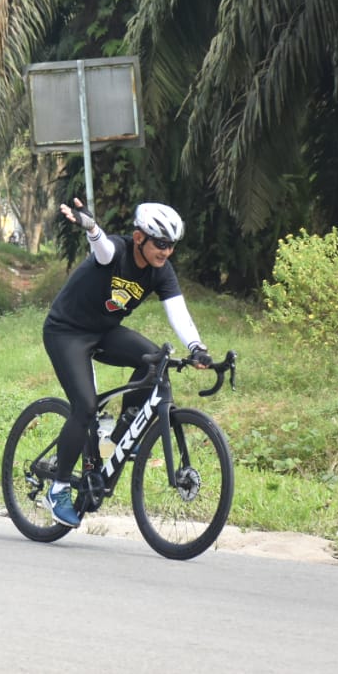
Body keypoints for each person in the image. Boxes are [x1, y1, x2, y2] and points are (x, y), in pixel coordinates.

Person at [40, 198, 213, 527]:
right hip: (67, 333)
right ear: (139, 238)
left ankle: (121, 436)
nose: (166, 252)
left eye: (172, 246)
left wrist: (196, 346)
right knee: (85, 407)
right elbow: (102, 249)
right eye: (160, 244)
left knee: (156, 362)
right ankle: (59, 488)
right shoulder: (117, 251)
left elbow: (177, 310)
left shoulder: (162, 271)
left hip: (104, 332)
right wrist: (91, 227)